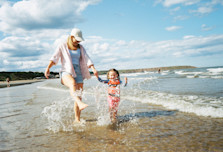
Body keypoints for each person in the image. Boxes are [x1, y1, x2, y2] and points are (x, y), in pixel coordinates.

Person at [45, 28, 98, 123]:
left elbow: (87, 58)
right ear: (71, 37)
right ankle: (79, 103)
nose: (78, 41)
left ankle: (77, 119)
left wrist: (93, 69)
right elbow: (54, 57)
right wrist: (48, 68)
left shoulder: (80, 48)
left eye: (79, 40)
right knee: (73, 84)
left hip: (79, 72)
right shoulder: (63, 46)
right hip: (66, 71)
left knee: (78, 96)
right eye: (77, 39)